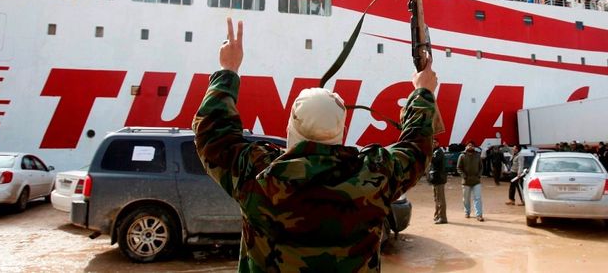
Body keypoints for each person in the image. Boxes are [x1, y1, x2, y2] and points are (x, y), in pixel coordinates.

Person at [192, 17, 441, 272]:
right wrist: (423, 92)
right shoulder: (374, 176)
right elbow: (416, 146)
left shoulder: (258, 176)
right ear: (341, 131)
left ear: (292, 127)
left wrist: (228, 70)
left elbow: (212, 135)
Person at [457, 141, 484, 221]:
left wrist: (479, 175)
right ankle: (467, 212)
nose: (470, 147)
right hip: (466, 181)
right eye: (469, 145)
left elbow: (481, 167)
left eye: (472, 145)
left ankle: (479, 215)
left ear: (474, 147)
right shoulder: (462, 156)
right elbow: (459, 168)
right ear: (466, 147)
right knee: (466, 199)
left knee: (478, 198)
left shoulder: (477, 156)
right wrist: (464, 176)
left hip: (476, 181)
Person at [428, 142, 448, 224]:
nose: (432, 144)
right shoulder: (434, 152)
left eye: (434, 143)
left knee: (440, 199)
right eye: (431, 142)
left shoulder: (439, 152)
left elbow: (435, 160)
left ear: (438, 143)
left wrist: (429, 153)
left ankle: (443, 218)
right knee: (436, 199)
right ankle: (437, 216)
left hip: (439, 179)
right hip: (435, 179)